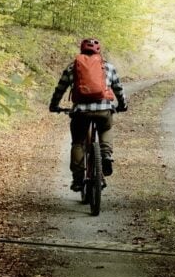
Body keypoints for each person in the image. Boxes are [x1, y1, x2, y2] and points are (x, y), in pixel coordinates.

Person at [49, 38, 128, 192]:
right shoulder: (108, 67)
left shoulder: (72, 67)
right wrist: (122, 105)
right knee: (106, 129)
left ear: (81, 50)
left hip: (81, 113)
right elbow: (119, 89)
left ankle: (78, 179)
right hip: (104, 110)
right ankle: (105, 155)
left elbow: (60, 89)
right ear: (99, 51)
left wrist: (54, 105)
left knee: (78, 142)